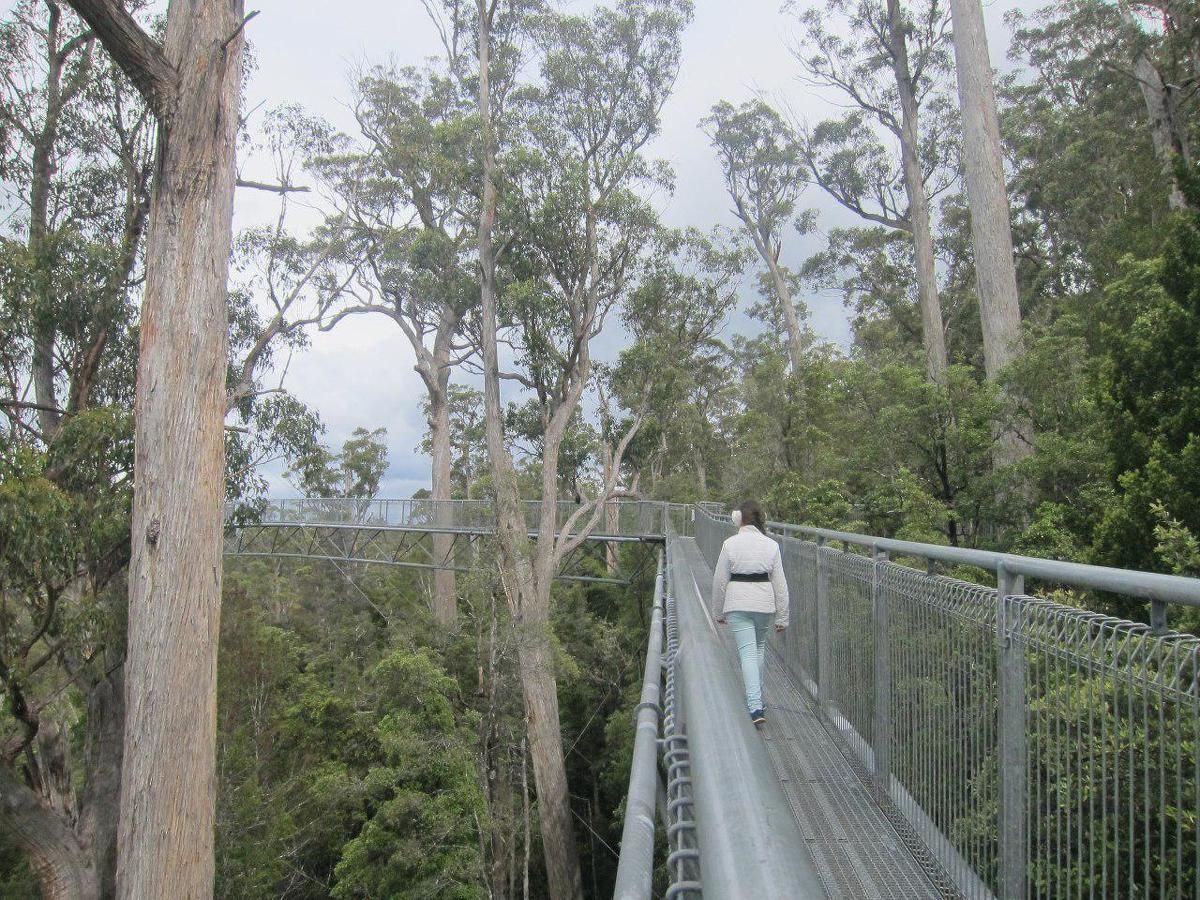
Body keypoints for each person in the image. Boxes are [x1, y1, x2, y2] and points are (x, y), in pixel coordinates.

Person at [711, 500, 789, 726]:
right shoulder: (771, 546)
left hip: (737, 603)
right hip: (764, 604)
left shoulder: (729, 544)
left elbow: (720, 580)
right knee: (758, 649)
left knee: (747, 653)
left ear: (738, 519)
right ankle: (759, 700)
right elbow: (780, 584)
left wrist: (718, 611)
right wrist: (782, 616)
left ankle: (755, 706)